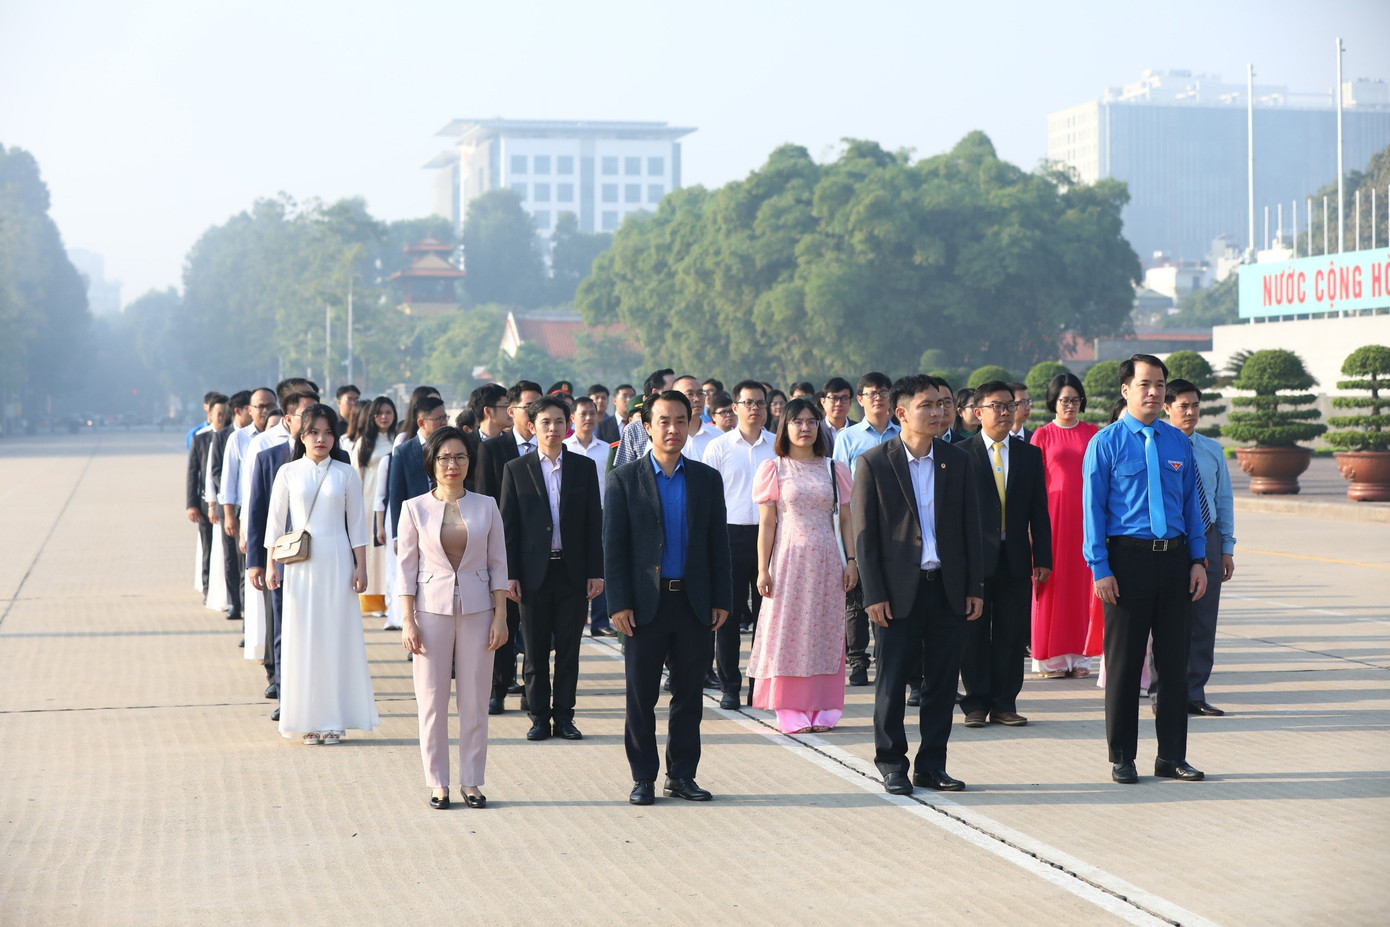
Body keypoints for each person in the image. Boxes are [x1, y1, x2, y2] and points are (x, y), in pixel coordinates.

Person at [852, 374, 983, 794]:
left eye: (941, 405)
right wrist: (873, 594)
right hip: (896, 592)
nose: (938, 412)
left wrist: (974, 587)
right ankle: (892, 762)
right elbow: (864, 537)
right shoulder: (874, 462)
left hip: (946, 588)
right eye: (926, 405)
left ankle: (932, 765)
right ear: (901, 412)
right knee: (891, 682)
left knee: (943, 684)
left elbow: (970, 530)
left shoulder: (957, 460)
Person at [1082, 354, 1208, 785]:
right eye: (1144, 385)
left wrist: (1197, 560)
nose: (1153, 392)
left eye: (1159, 384)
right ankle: (1123, 756)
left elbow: (1192, 507)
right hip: (1126, 561)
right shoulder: (1107, 443)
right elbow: (1093, 511)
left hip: (1174, 560)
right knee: (1124, 663)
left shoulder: (1176, 442)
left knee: (1173, 664)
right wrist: (1100, 567)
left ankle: (1172, 756)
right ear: (1126, 390)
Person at [605, 390, 732, 805]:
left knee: (689, 694)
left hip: (693, 603)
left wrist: (722, 598)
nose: (673, 429)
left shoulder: (706, 479)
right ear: (647, 427)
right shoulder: (624, 479)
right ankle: (643, 776)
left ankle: (682, 775)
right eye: (664, 421)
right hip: (644, 605)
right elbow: (615, 546)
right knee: (641, 695)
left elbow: (718, 544)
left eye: (681, 420)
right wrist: (618, 602)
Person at [398, 426, 510, 809]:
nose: (452, 464)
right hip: (430, 611)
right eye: (444, 457)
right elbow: (406, 568)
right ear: (432, 462)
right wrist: (407, 619)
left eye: (460, 457)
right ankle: (438, 783)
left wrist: (501, 616)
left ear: (469, 462)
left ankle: (472, 782)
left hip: (479, 610)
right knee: (431, 700)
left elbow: (499, 564)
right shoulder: (414, 508)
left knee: (476, 700)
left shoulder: (487, 505)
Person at [264, 404, 376, 745]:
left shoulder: (345, 473)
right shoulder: (288, 472)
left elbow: (357, 525)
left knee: (335, 638)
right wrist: (271, 564)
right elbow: (274, 522)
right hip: (300, 566)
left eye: (328, 432)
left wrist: (362, 566)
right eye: (314, 432)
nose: (321, 438)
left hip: (338, 563)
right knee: (303, 637)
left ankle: (334, 719)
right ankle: (306, 718)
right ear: (302, 435)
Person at [500, 397, 604, 741]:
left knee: (570, 652)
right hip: (532, 575)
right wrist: (509, 574)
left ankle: (565, 717)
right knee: (534, 650)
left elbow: (594, 523)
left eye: (559, 422)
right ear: (532, 426)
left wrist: (596, 571)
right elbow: (508, 527)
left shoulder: (584, 468)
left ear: (568, 424)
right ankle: (539, 718)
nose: (553, 428)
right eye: (545, 422)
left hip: (573, 573)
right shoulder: (516, 469)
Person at [751, 399, 856, 733]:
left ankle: (822, 707)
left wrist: (851, 561)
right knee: (790, 632)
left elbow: (847, 521)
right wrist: (762, 568)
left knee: (824, 631)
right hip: (788, 561)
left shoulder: (834, 468)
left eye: (812, 421)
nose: (806, 428)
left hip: (827, 562)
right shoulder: (774, 468)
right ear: (786, 426)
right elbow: (767, 525)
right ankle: (791, 708)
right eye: (798, 421)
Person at [959, 382, 1051, 728]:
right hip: (974, 561)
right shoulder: (960, 454)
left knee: (1011, 634)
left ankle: (1004, 702)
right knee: (974, 632)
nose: (1003, 412)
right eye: (995, 406)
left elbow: (1039, 510)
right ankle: (976, 703)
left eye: (1008, 406)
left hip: (1015, 557)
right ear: (977, 412)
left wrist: (1043, 556)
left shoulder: (1029, 454)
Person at [1156, 379, 1235, 717]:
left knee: (1204, 620)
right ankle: (1164, 693)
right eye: (1183, 406)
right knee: (1167, 619)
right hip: (1174, 539)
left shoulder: (1212, 450)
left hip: (1209, 536)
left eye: (1195, 406)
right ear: (1167, 408)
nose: (1190, 412)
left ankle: (1195, 692)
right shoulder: (1156, 445)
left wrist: (1226, 547)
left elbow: (1223, 500)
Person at [702, 379, 776, 709]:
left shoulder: (778, 446)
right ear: (735, 408)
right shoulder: (718, 447)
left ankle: (760, 687)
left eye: (760, 402)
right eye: (748, 403)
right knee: (727, 617)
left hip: (771, 536)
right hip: (729, 537)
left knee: (767, 618)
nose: (755, 409)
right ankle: (730, 686)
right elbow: (706, 500)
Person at [475, 380, 542, 713]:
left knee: (536, 627)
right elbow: (486, 498)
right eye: (528, 406)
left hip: (542, 550)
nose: (534, 413)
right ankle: (497, 687)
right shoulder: (492, 448)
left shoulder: (552, 446)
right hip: (502, 547)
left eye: (538, 406)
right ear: (512, 410)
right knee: (503, 619)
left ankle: (533, 694)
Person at [1029, 373, 1101, 679]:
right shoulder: (1042, 435)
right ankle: (1052, 657)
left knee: (1084, 584)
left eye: (1075, 400)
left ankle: (1081, 656)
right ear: (1052, 402)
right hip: (1052, 516)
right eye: (1064, 400)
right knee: (1052, 583)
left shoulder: (1094, 433)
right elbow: (1033, 485)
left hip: (1087, 516)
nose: (1070, 405)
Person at [832, 372, 900, 689]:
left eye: (883, 392)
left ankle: (892, 661)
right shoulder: (847, 438)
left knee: (895, 595)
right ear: (859, 400)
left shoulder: (902, 434)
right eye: (871, 393)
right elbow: (839, 489)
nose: (878, 398)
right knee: (857, 599)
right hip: (860, 522)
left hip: (899, 526)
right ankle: (858, 661)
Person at [220, 387, 276, 653]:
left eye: (268, 405)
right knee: (250, 572)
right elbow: (229, 480)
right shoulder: (239, 439)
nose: (264, 410)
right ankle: (249, 628)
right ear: (249, 410)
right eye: (259, 406)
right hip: (246, 514)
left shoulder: (281, 438)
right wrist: (229, 515)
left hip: (274, 514)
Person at [565, 396, 615, 637]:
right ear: (572, 418)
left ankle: (600, 620)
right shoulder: (565, 449)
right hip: (571, 516)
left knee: (601, 565)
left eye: (592, 413)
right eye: (582, 413)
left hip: (602, 514)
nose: (588, 418)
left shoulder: (607, 450)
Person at [353, 396, 398, 617]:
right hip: (368, 499)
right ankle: (373, 600)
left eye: (388, 412)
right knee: (372, 552)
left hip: (391, 499)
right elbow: (356, 474)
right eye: (379, 413)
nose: (384, 417)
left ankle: (390, 599)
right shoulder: (364, 442)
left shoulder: (398, 439)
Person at [186, 393, 227, 604]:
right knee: (208, 546)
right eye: (218, 413)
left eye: (224, 413)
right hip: (204, 504)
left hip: (225, 503)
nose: (221, 417)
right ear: (209, 414)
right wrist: (191, 504)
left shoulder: (231, 436)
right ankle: (207, 587)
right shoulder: (200, 437)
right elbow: (193, 473)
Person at [613, 369, 675, 467]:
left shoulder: (685, 426)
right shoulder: (633, 430)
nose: (678, 396)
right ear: (655, 393)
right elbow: (623, 472)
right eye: (672, 391)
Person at [674, 375, 719, 462]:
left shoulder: (718, 436)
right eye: (690, 394)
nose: (697, 399)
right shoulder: (664, 438)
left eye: (700, 393)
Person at [819, 377, 854, 449]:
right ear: (823, 402)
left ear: (850, 402)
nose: (838, 403)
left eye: (844, 398)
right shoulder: (815, 431)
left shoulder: (859, 431)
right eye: (833, 398)